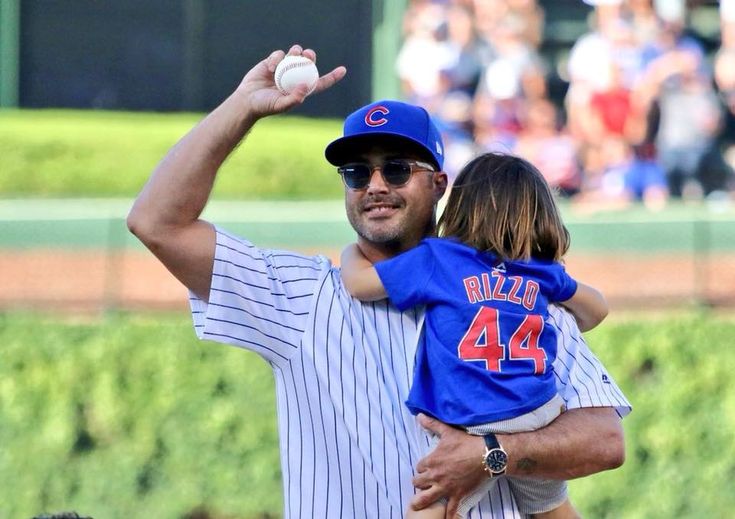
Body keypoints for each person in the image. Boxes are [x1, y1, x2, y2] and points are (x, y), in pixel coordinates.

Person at [127, 45, 631, 518]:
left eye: (396, 169)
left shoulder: (519, 297)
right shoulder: (304, 299)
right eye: (355, 173)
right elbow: (156, 223)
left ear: (439, 183)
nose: (374, 186)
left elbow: (605, 440)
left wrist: (491, 454)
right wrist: (242, 107)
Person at [340, 152, 608, 518]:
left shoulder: (439, 258)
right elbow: (597, 310)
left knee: (431, 505)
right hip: (538, 412)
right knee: (552, 507)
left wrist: (351, 252)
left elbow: (358, 284)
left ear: (462, 205)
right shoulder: (538, 271)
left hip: (473, 415)